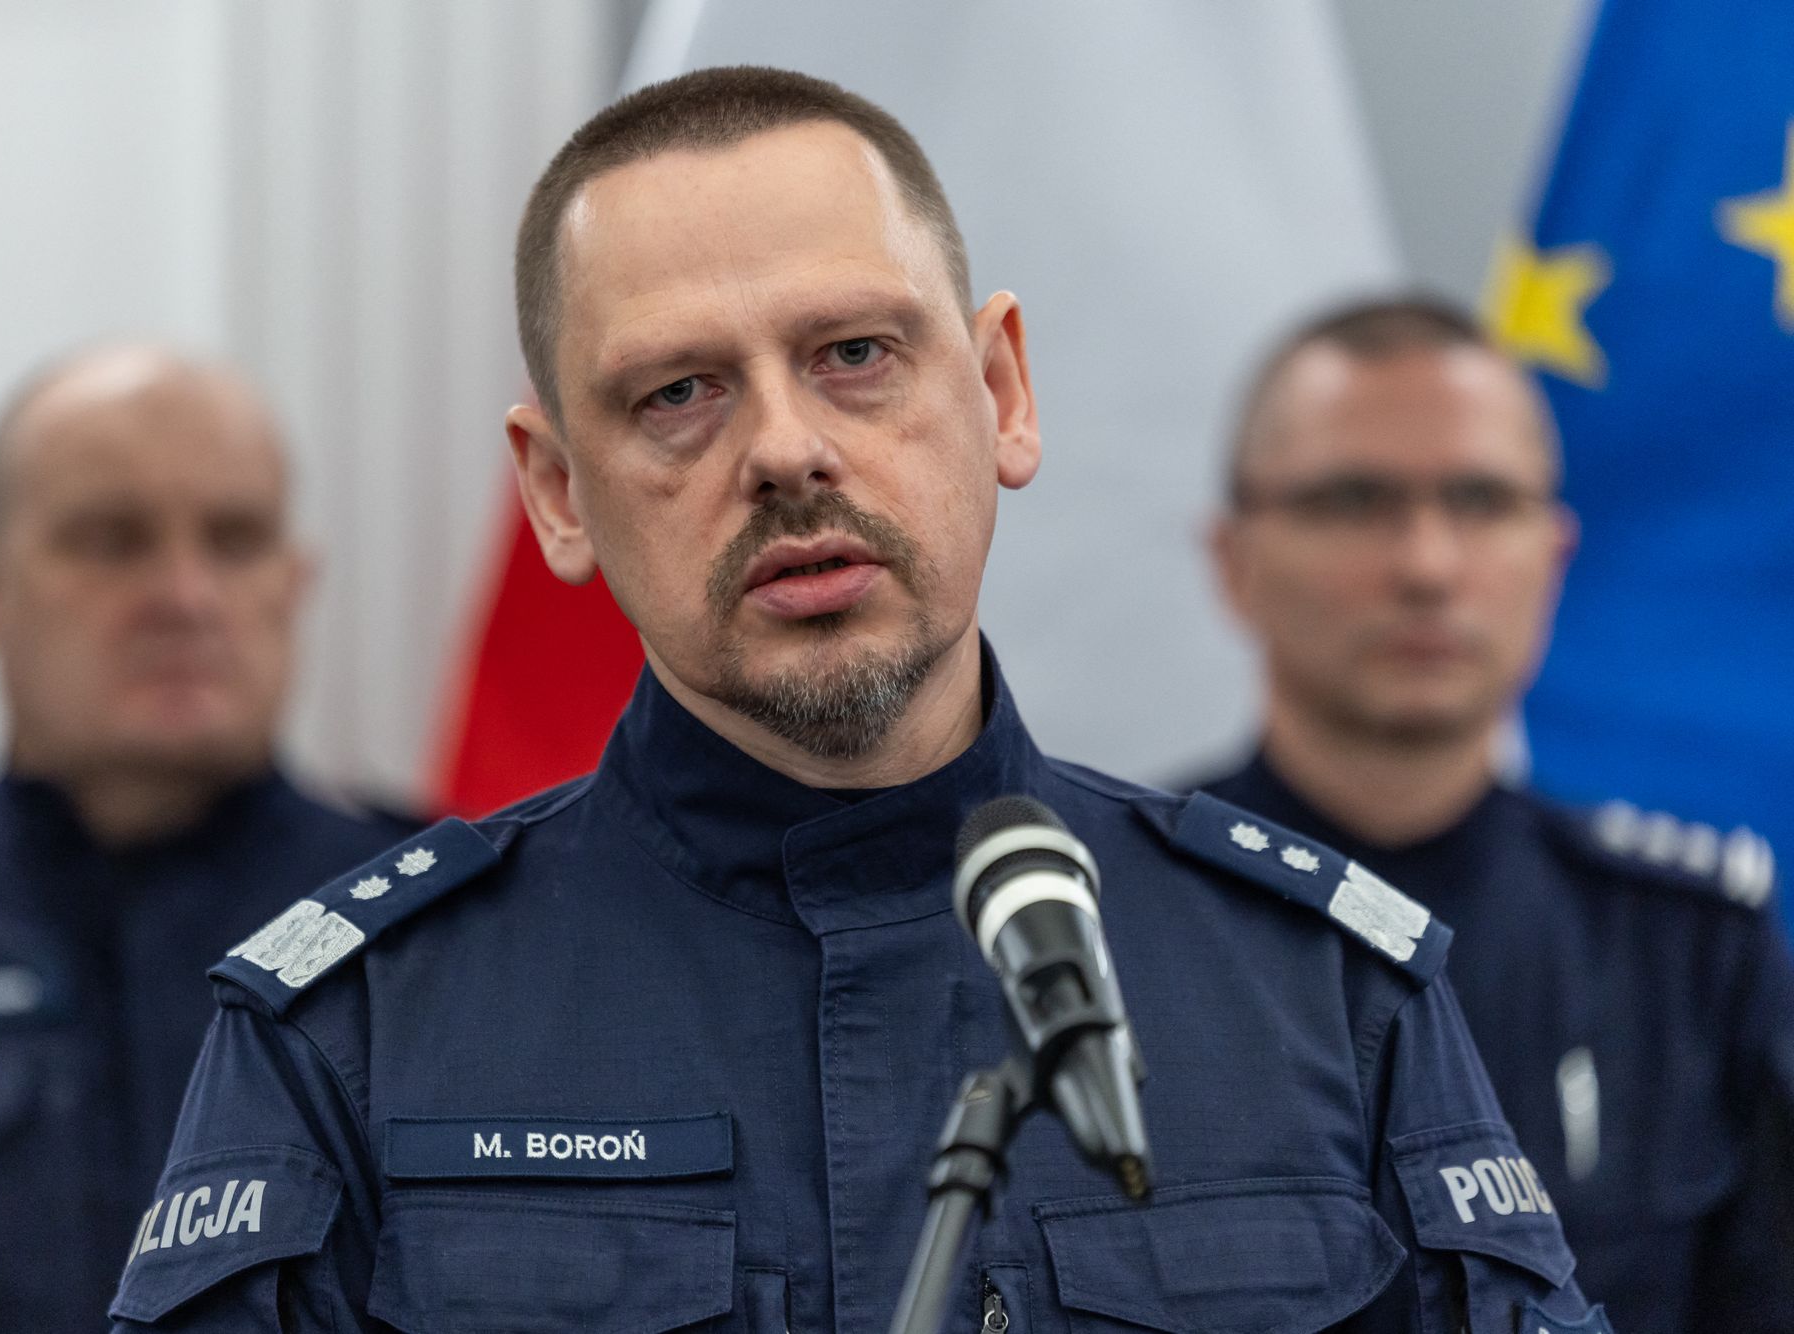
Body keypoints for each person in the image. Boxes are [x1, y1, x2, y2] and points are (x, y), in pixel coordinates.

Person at [111, 72, 1608, 1333]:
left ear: (1004, 392)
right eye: (677, 393)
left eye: (855, 355)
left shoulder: (1321, 991)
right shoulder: (358, 1029)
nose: (785, 449)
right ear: (560, 493)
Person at [0, 345, 422, 1332]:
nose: (183, 592)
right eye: (110, 538)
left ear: (294, 583)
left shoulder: (449, 933)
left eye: (234, 536)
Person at [1197, 295, 1794, 1331]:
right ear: (1234, 559)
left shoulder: (1689, 951)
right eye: (1352, 499)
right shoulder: (1098, 925)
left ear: (1551, 559)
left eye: (1478, 499)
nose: (1425, 564)